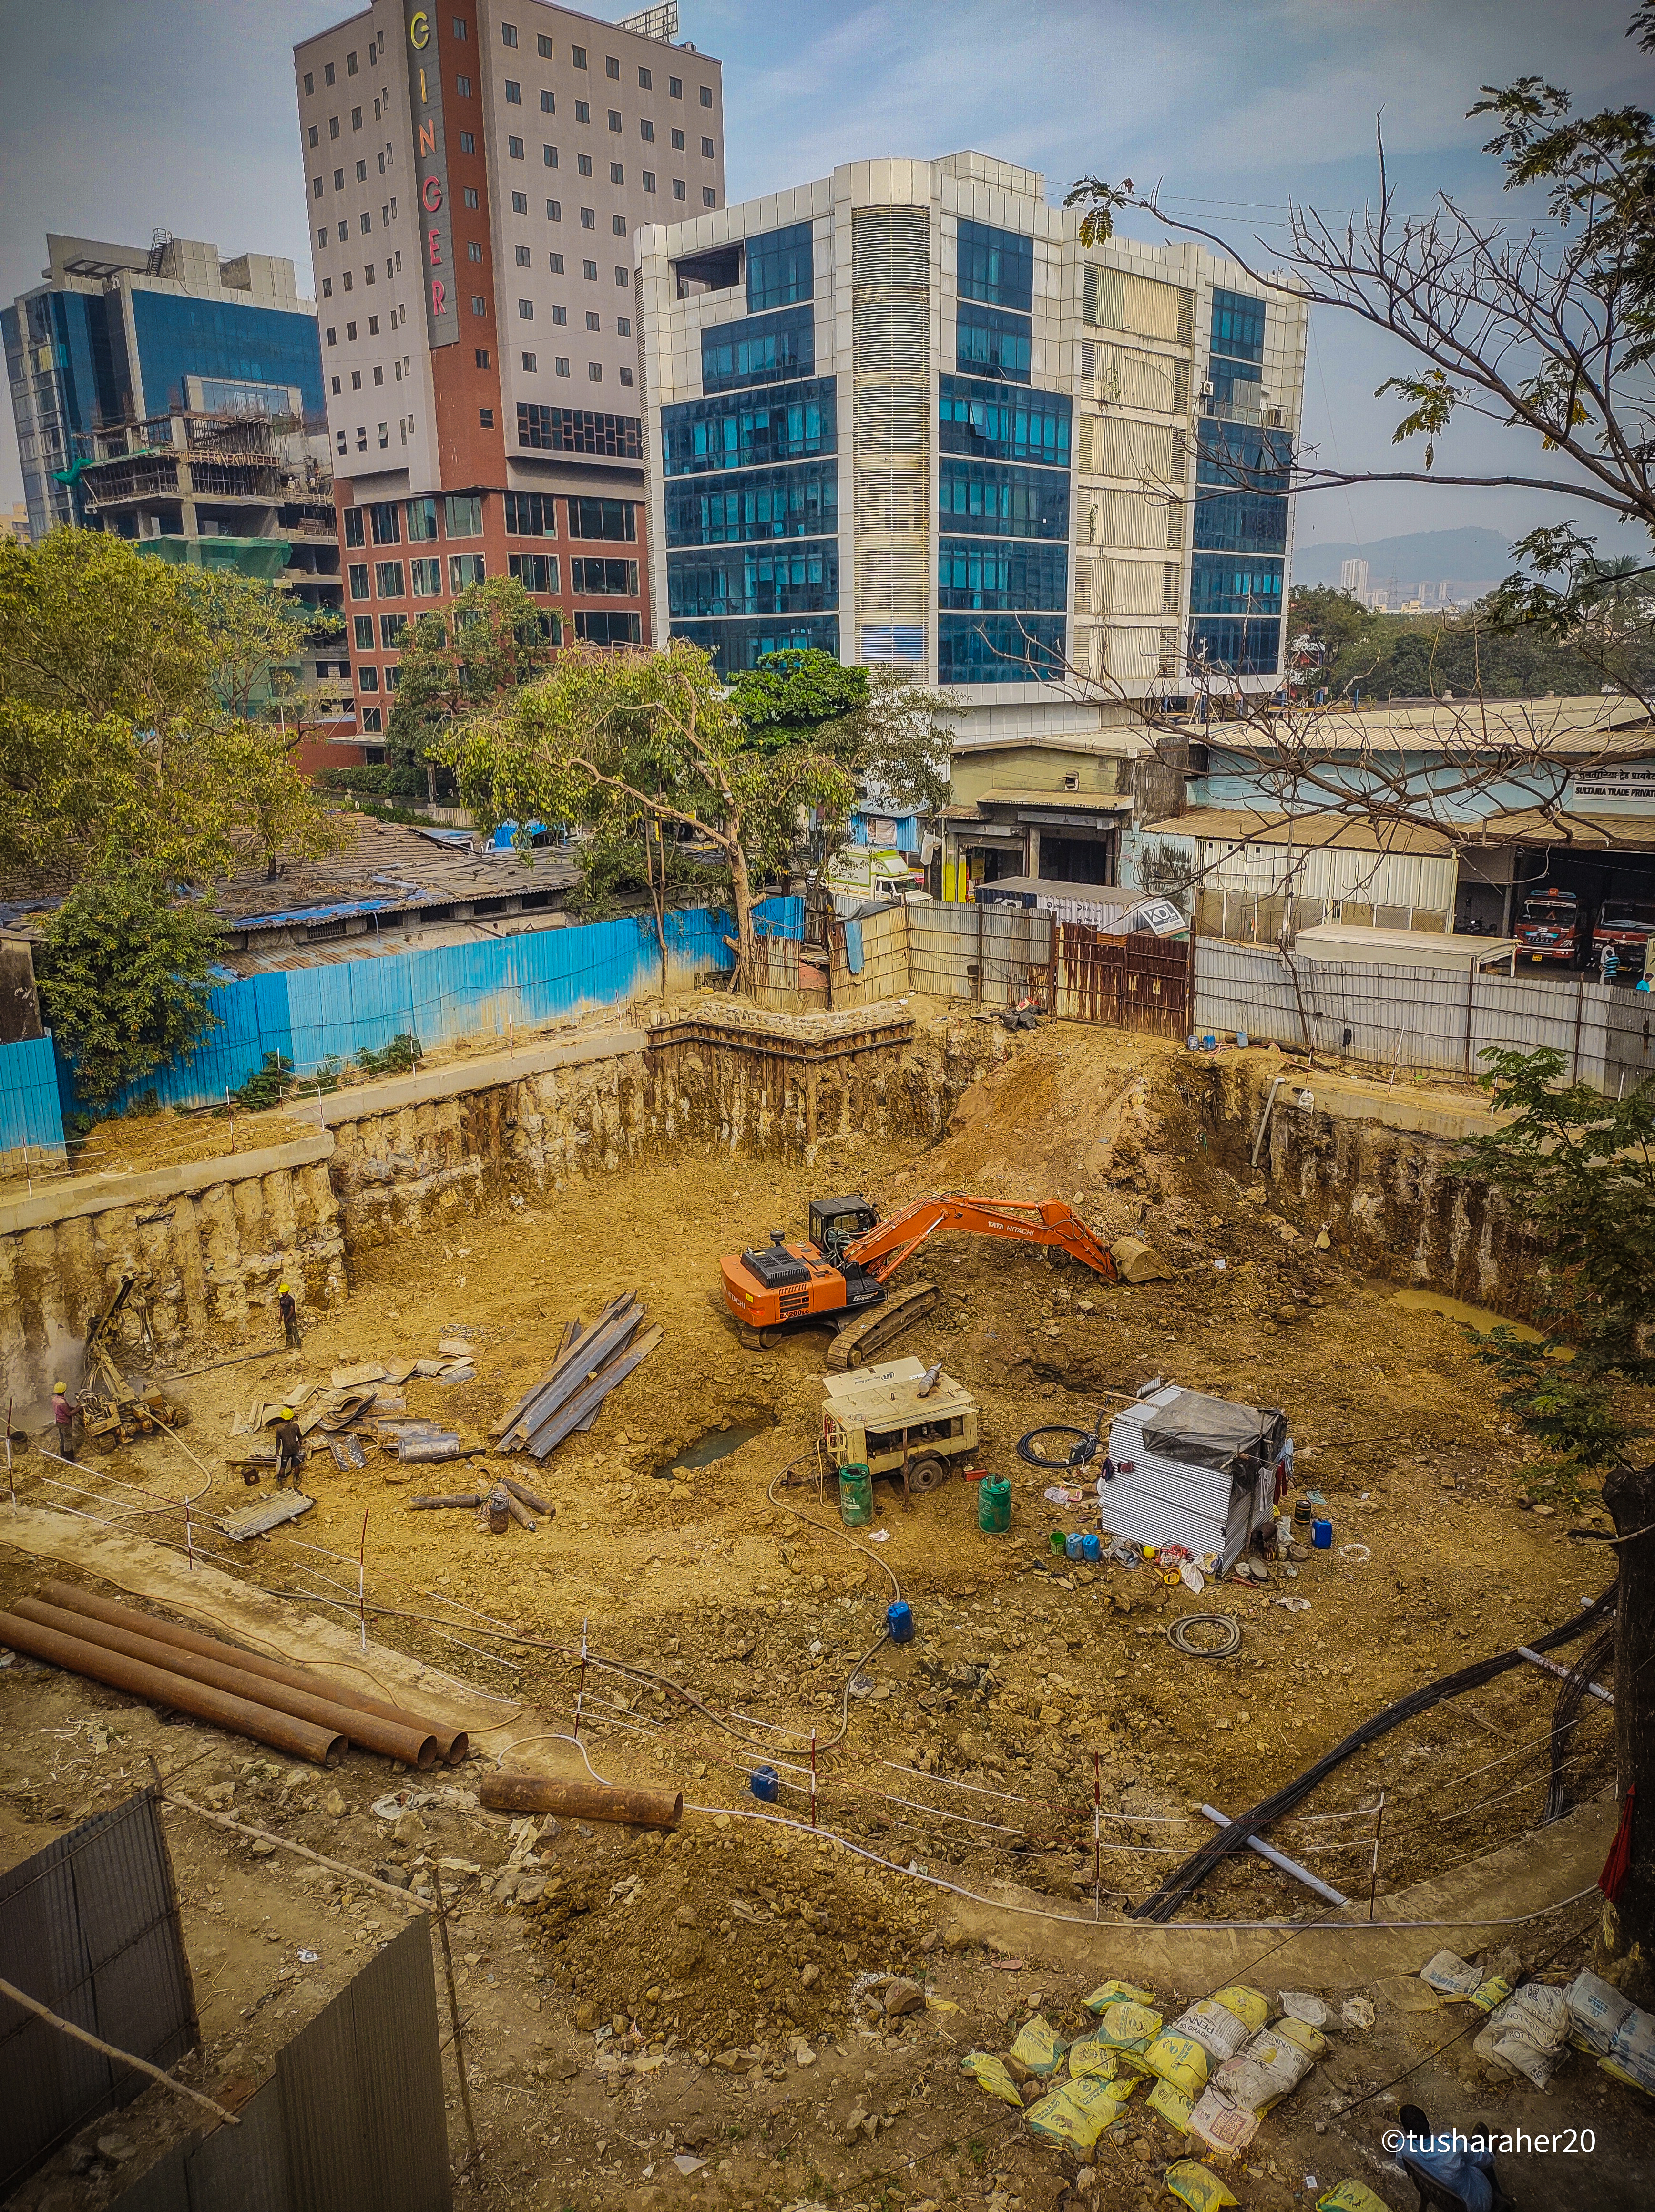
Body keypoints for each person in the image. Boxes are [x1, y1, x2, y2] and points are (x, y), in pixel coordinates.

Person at [273, 1407, 306, 1490]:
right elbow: (300, 1437)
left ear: (283, 1418)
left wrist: (277, 1452)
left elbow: (278, 1442)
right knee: (297, 1466)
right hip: (295, 1450)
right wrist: (301, 1445)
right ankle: (296, 1482)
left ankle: (279, 1483)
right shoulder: (296, 1426)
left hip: (286, 1451)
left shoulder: (280, 1429)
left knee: (283, 1467)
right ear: (291, 1417)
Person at [51, 1381, 76, 1463]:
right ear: (64, 1391)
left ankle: (63, 1454)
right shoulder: (62, 1402)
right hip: (65, 1423)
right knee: (68, 1439)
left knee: (62, 1438)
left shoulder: (55, 1399)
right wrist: (79, 1408)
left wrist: (73, 1408)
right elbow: (69, 1413)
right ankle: (70, 1458)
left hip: (59, 1422)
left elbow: (64, 1409)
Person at [277, 1281, 302, 1352]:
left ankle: (298, 1345)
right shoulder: (281, 1300)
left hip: (291, 1318)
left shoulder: (291, 1300)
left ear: (287, 1292)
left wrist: (288, 1318)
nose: (283, 1294)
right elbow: (282, 1309)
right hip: (286, 1318)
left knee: (295, 1331)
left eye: (284, 1292)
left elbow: (292, 1310)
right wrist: (280, 1319)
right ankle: (289, 1344)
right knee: (288, 1331)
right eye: (282, 1292)